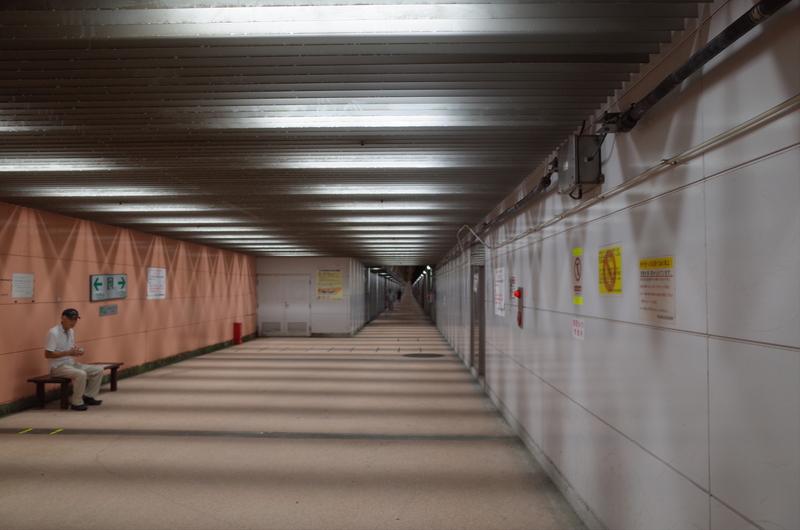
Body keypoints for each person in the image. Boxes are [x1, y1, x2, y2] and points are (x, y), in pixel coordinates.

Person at [44, 308, 104, 411]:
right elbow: (48, 354)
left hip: (70, 364)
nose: (73, 322)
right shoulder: (53, 333)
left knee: (98, 370)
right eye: (71, 319)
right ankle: (76, 403)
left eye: (75, 319)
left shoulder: (70, 331)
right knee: (81, 374)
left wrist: (77, 351)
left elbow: (71, 348)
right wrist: (67, 353)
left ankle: (88, 396)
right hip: (58, 367)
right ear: (63, 318)